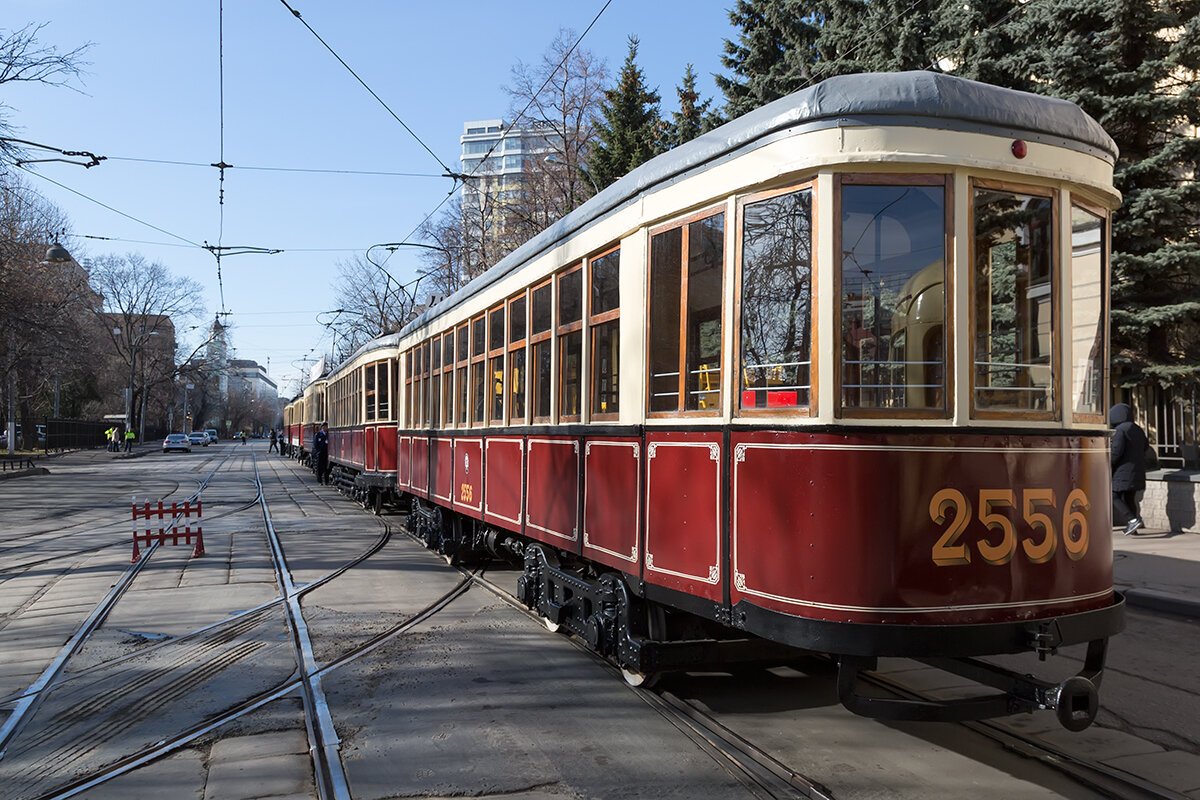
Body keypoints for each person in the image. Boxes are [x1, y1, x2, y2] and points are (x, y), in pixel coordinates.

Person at [1111, 402, 1148, 535]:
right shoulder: (1138, 429)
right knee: (1129, 498)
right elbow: (1145, 447)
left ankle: (1132, 520)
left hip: (1123, 471)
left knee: (1113, 495)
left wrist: (1108, 464)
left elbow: (1116, 452)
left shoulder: (1120, 430)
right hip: (1137, 470)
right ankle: (1133, 527)